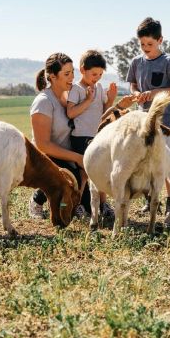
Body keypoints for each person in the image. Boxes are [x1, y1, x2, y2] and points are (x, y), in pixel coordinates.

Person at [126, 17, 170, 213]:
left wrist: (154, 94)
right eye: (142, 44)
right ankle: (150, 201)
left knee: (166, 162)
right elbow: (132, 84)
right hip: (142, 119)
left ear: (160, 40)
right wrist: (136, 94)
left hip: (165, 120)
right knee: (146, 160)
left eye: (149, 44)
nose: (145, 47)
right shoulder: (136, 62)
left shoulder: (169, 62)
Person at [28, 52, 89, 220]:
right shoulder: (44, 102)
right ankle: (37, 199)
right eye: (67, 74)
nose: (72, 78)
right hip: (47, 158)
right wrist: (77, 158)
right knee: (71, 176)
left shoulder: (70, 97)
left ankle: (77, 202)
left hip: (70, 155)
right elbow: (42, 145)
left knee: (89, 204)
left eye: (73, 73)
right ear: (53, 77)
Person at [66, 50, 119, 219]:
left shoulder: (98, 87)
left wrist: (110, 99)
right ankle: (77, 205)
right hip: (81, 137)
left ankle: (103, 205)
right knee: (84, 173)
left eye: (100, 74)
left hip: (97, 136)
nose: (97, 78)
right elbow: (70, 113)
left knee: (101, 171)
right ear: (82, 70)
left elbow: (102, 111)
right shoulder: (77, 89)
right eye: (94, 74)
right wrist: (88, 100)